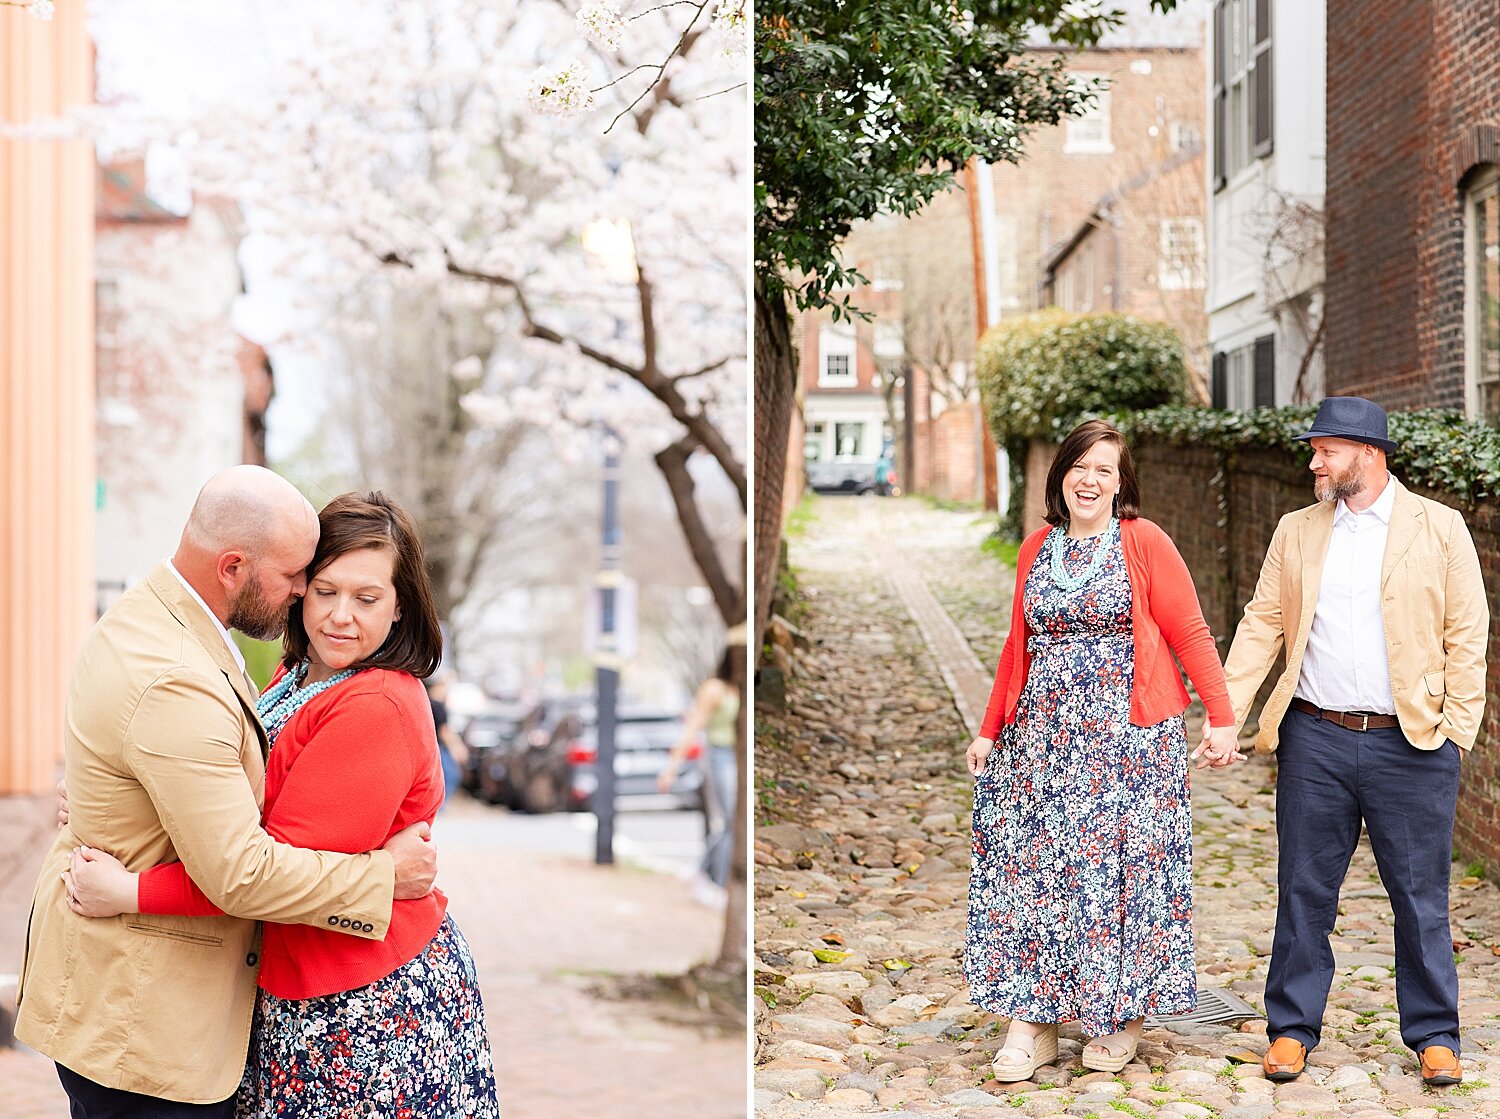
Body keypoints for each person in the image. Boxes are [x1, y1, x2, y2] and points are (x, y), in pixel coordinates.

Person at [14, 466, 437, 1117]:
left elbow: (239, 843)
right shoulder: (199, 669)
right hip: (147, 1021)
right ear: (235, 566)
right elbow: (241, 864)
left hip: (344, 992)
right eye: (311, 581)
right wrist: (382, 879)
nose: (309, 598)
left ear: (401, 602)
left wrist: (115, 815)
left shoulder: (154, 619)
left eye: (366, 596)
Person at [1206, 397, 1488, 1087]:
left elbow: (1468, 633)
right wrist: (1226, 713)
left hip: (1412, 744)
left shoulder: (1440, 527)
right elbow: (1261, 623)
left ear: (1368, 451)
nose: (1314, 461)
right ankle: (1291, 1030)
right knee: (1304, 891)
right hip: (1315, 739)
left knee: (1420, 897)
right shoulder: (1297, 530)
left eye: (1325, 449)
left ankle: (1435, 1035)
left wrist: (1455, 731)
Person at [964, 419, 1239, 1080]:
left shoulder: (1142, 541)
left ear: (1121, 483)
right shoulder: (1037, 547)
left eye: (1105, 470)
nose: (1090, 479)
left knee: (1125, 879)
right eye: (1080, 466)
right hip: (1045, 744)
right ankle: (1033, 1019)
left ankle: (1121, 1015)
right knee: (1038, 872)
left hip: (1131, 747)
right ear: (1061, 474)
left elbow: (1191, 632)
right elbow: (1016, 647)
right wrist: (988, 726)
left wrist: (1222, 716)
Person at [658, 648, 741, 904]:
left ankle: (703, 872)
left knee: (733, 824)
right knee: (729, 821)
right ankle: (714, 880)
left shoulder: (743, 686)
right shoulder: (715, 688)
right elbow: (692, 727)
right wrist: (671, 768)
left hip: (740, 756)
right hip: (720, 756)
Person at [427, 673, 469, 807]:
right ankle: (440, 805)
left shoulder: (425, 701)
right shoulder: (437, 705)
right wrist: (457, 747)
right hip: (439, 747)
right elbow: (444, 731)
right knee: (450, 775)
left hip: (429, 747)